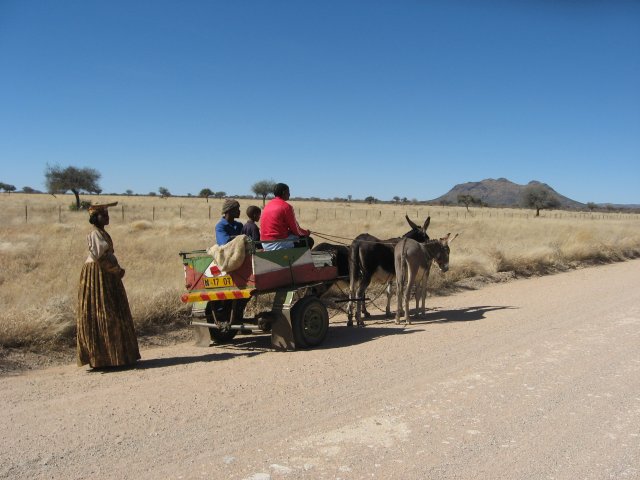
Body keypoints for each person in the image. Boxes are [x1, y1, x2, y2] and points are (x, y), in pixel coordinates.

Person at [77, 202, 140, 369]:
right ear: (95, 218)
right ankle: (103, 358)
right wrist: (116, 270)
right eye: (103, 215)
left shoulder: (102, 233)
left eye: (107, 215)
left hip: (107, 275)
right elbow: (101, 258)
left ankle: (115, 357)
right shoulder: (95, 234)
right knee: (103, 312)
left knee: (110, 312)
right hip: (99, 275)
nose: (107, 217)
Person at [260, 183, 313, 250]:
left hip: (264, 243)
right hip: (277, 243)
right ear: (284, 192)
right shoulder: (286, 207)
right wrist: (306, 233)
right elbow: (296, 230)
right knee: (309, 241)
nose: (289, 194)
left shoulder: (268, 205)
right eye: (288, 192)